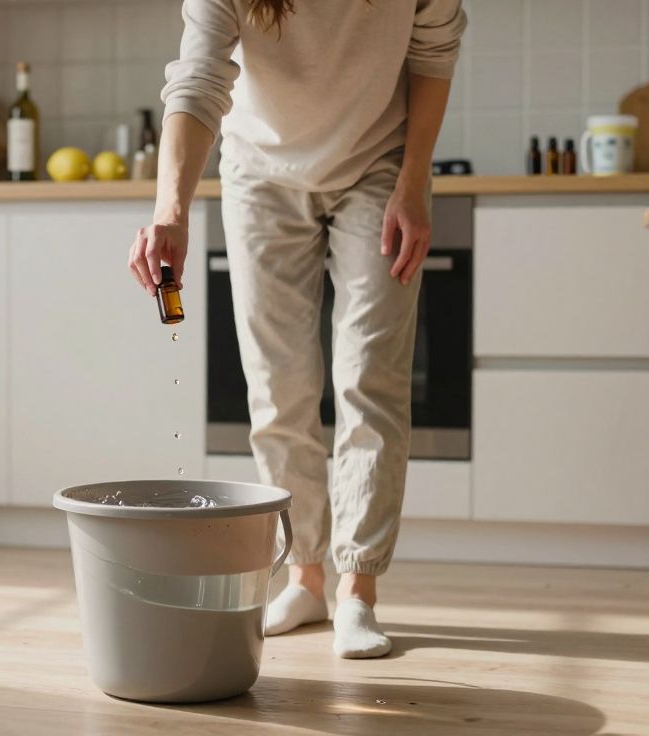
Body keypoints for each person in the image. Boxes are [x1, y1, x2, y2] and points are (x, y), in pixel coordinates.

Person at [127, 0, 466, 659]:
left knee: (370, 375)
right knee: (278, 382)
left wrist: (415, 181)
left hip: (379, 166)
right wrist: (171, 209)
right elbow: (197, 79)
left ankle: (357, 590)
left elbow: (434, 52)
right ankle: (307, 575)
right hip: (260, 173)